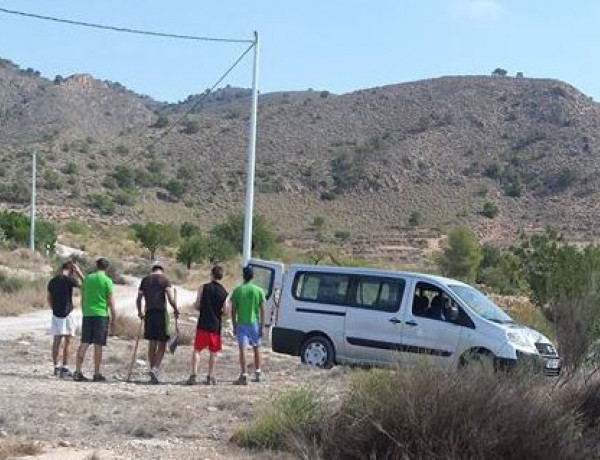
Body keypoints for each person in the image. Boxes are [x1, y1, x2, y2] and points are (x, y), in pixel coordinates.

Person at [73, 258, 116, 382]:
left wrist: (78, 272)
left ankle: (78, 371)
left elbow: (84, 282)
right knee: (98, 345)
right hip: (101, 315)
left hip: (87, 314)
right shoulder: (107, 281)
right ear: (106, 268)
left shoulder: (89, 279)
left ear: (96, 266)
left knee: (84, 343)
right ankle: (96, 373)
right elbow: (111, 301)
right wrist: (114, 317)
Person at [136, 261, 179, 384]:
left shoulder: (145, 280)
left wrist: (140, 312)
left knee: (152, 343)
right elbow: (170, 298)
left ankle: (152, 370)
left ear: (153, 269)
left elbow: (138, 298)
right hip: (161, 314)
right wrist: (176, 309)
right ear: (162, 269)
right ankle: (155, 369)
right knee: (162, 343)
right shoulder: (165, 280)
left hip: (149, 313)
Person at [186, 265, 228, 386]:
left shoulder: (203, 288)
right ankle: (210, 376)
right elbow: (225, 311)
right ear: (221, 276)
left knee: (197, 350)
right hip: (215, 325)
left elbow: (197, 304)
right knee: (214, 352)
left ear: (211, 274)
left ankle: (193, 375)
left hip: (203, 323)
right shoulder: (224, 292)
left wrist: (198, 307)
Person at [47, 261, 84, 378]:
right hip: (68, 313)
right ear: (71, 270)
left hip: (56, 313)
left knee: (56, 341)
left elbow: (49, 298)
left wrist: (54, 308)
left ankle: (56, 367)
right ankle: (65, 367)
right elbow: (84, 284)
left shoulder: (52, 281)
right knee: (68, 341)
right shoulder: (69, 280)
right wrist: (79, 273)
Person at [231, 266, 267, 385]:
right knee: (256, 348)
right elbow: (262, 310)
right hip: (254, 323)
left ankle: (244, 374)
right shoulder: (259, 291)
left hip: (241, 323)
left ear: (243, 276)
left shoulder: (238, 291)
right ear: (253, 276)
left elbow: (233, 310)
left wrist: (234, 324)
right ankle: (258, 373)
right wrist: (262, 326)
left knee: (242, 349)